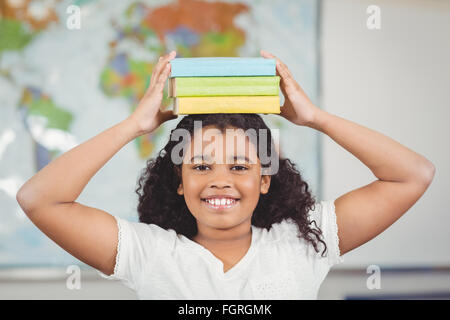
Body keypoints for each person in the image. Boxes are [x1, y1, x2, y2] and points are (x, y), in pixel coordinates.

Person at [16, 50, 435, 299]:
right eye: (200, 166)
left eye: (239, 166)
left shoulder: (308, 240)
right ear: (179, 181)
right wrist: (135, 126)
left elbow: (413, 174)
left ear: (264, 179)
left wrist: (314, 118)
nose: (221, 180)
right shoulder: (149, 252)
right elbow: (39, 199)